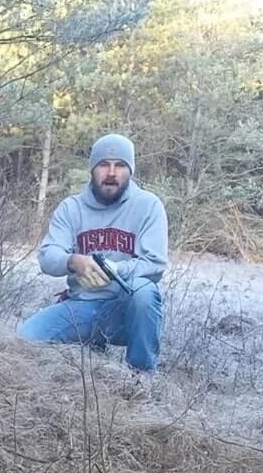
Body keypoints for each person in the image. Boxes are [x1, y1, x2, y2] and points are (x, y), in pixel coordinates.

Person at [17, 133, 168, 373]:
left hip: (125, 310)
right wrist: (74, 261)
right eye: (103, 165)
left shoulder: (148, 206)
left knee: (145, 293)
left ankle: (142, 376)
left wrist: (115, 269)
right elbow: (47, 256)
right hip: (82, 306)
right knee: (23, 338)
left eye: (120, 166)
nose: (111, 173)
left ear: (130, 170)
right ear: (92, 169)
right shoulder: (71, 208)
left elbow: (155, 265)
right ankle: (92, 347)